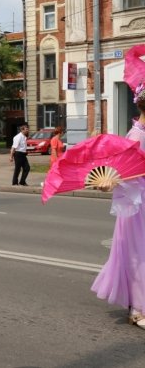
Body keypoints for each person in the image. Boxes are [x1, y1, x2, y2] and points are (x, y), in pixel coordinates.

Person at [92, 88, 145, 328]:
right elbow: (123, 173)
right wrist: (107, 182)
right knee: (138, 255)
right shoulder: (136, 136)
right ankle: (138, 309)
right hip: (137, 206)